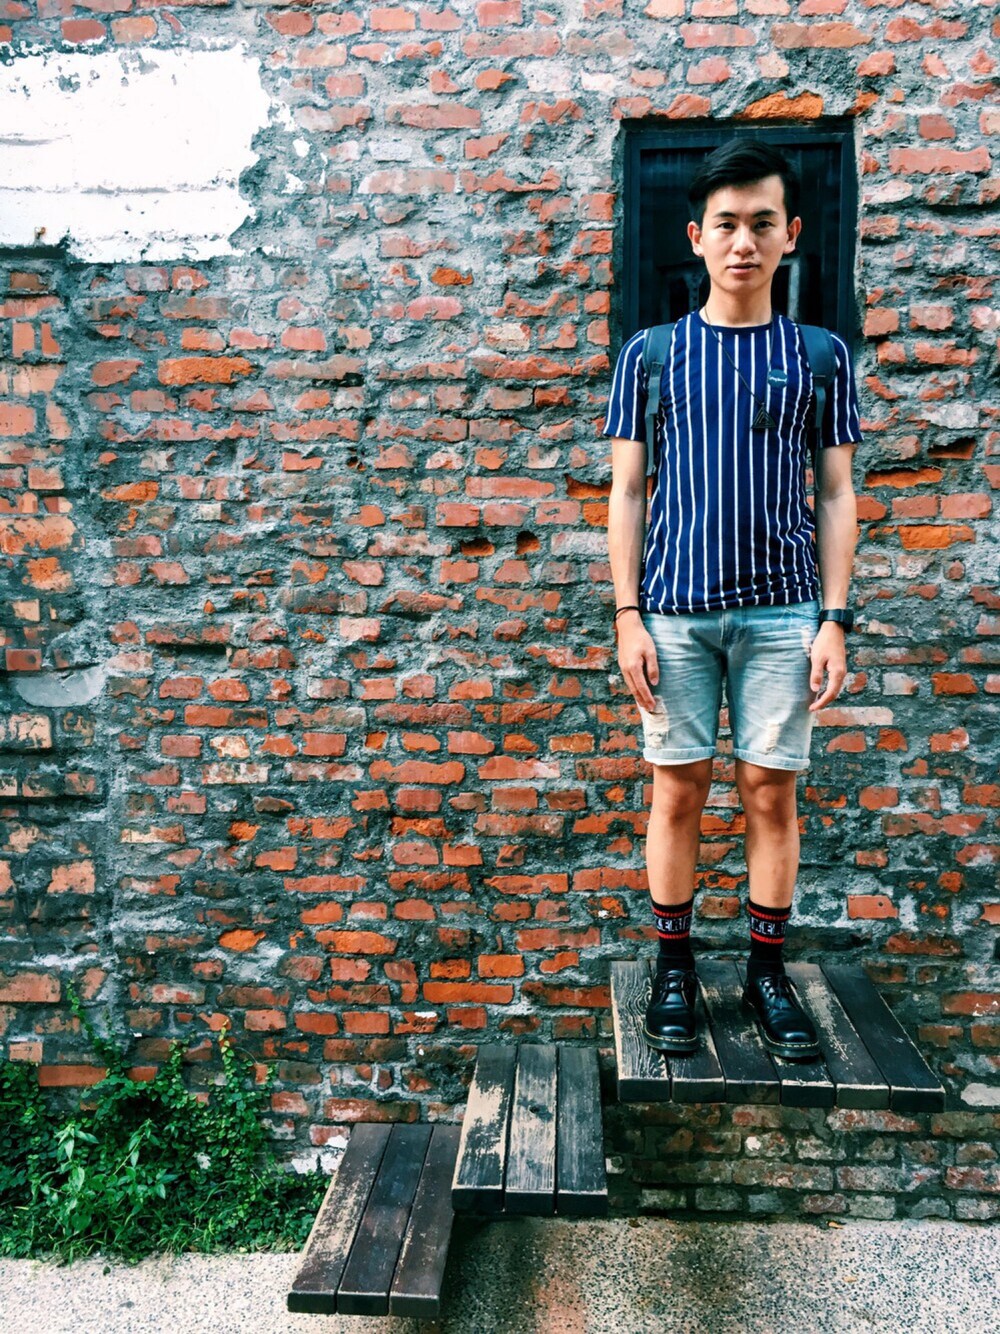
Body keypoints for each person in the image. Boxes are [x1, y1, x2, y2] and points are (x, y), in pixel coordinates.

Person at [601, 139, 863, 1061]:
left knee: (768, 792)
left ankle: (765, 972)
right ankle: (674, 968)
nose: (743, 241)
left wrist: (834, 621)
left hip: (784, 612)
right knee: (678, 788)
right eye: (726, 225)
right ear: (697, 238)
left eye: (761, 223)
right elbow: (626, 493)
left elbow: (837, 495)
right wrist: (626, 615)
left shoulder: (819, 357)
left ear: (790, 235)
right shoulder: (651, 357)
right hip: (672, 611)